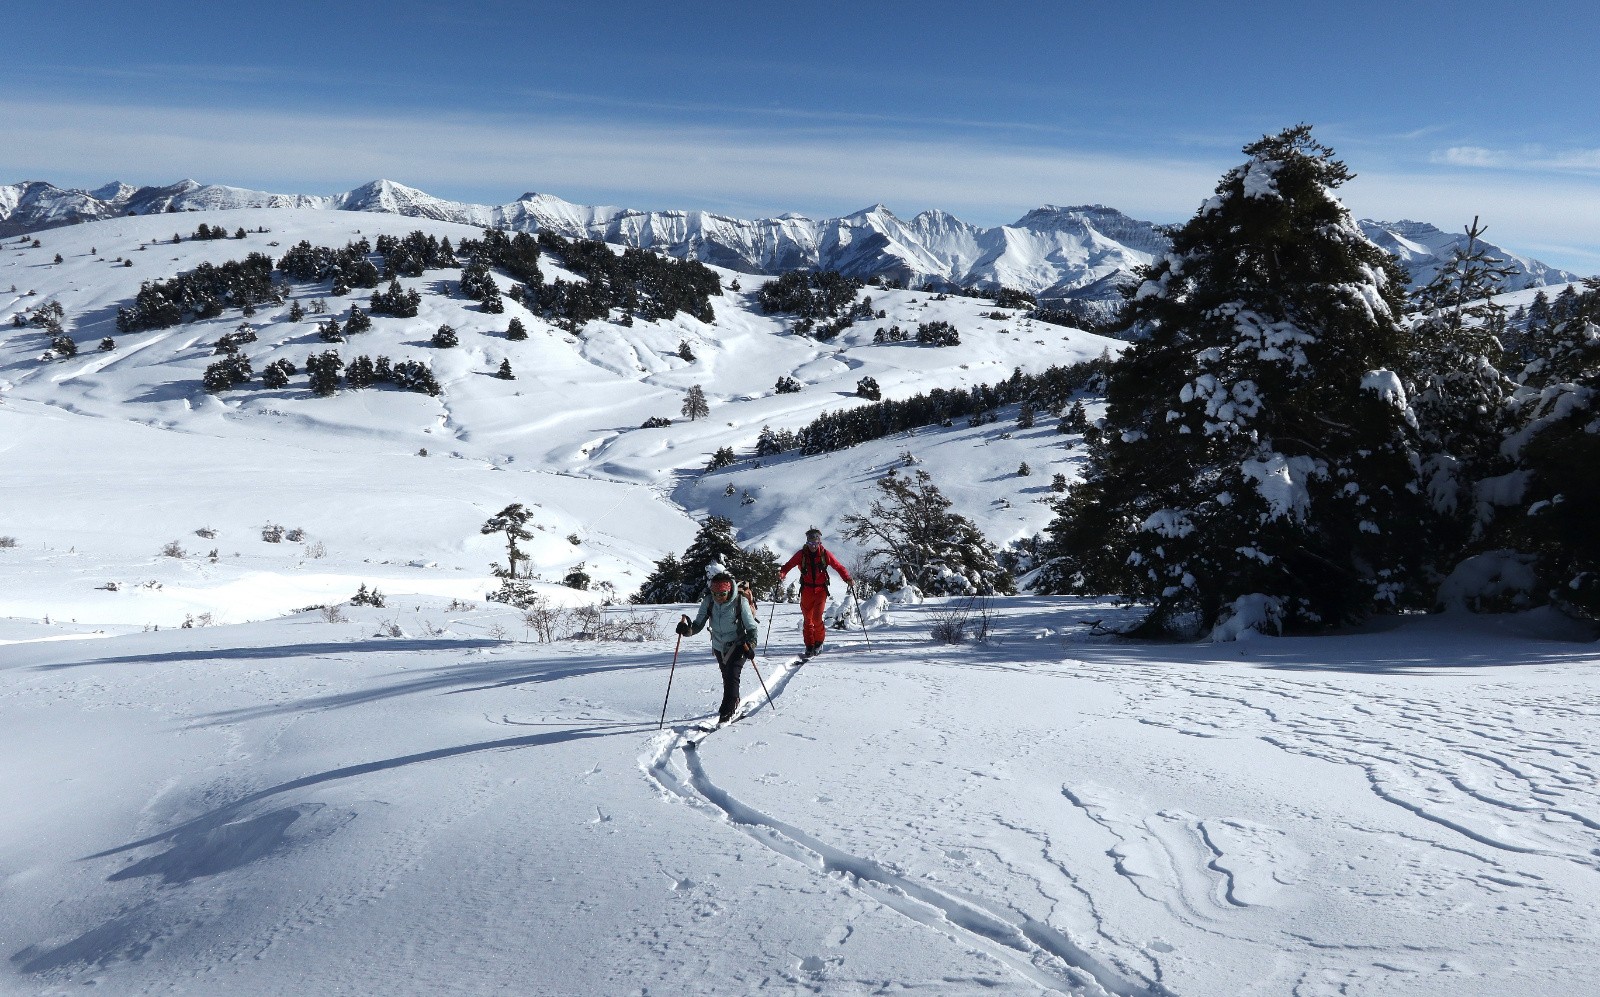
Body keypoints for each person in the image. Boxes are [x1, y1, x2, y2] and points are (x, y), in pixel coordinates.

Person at [676, 571, 759, 724]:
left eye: (722, 594)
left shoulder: (740, 602)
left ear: (729, 591)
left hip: (739, 645)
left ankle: (730, 707)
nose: (718, 598)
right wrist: (687, 631)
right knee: (726, 676)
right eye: (715, 594)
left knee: (732, 675)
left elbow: (752, 628)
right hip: (718, 646)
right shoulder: (709, 602)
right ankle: (729, 702)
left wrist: (751, 644)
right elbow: (698, 624)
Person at [779, 527, 852, 656]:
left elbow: (838, 567)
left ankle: (818, 642)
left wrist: (847, 578)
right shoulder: (801, 554)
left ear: (819, 542)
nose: (813, 546)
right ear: (807, 542)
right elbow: (788, 565)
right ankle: (809, 645)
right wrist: (782, 574)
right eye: (810, 543)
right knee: (807, 620)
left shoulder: (825, 554)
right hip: (806, 590)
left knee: (817, 619)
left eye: (815, 543)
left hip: (820, 591)